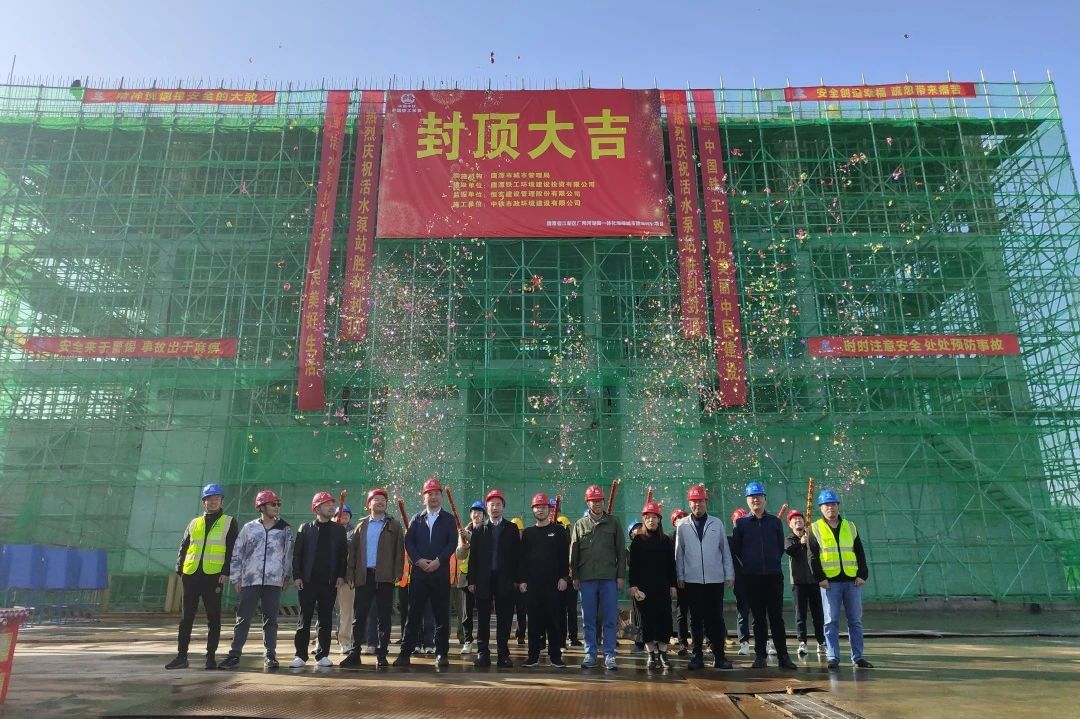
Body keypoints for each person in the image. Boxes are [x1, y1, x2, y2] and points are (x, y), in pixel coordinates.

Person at [166, 483, 239, 670]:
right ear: (203, 502)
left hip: (213, 576)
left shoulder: (229, 522)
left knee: (213, 618)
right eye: (209, 499)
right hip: (191, 575)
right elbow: (184, 546)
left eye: (217, 498)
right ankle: (181, 656)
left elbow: (232, 549)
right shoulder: (194, 522)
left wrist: (226, 572)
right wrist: (180, 568)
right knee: (186, 618)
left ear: (222, 501)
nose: (213, 502)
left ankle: (210, 657)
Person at [219, 490, 293, 670]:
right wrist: (236, 578)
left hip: (273, 581)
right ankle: (234, 654)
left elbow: (289, 555)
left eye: (278, 504)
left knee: (271, 620)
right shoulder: (249, 528)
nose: (276, 507)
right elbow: (237, 553)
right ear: (261, 506)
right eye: (273, 504)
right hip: (250, 580)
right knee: (243, 619)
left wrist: (286, 576)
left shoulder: (284, 529)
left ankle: (270, 655)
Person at [730, 482, 797, 670]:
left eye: (759, 496)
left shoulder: (774, 522)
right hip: (752, 578)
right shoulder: (741, 524)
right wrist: (750, 564)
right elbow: (737, 549)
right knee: (758, 618)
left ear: (765, 499)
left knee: (776, 617)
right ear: (747, 500)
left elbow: (779, 547)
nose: (756, 500)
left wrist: (771, 561)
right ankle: (760, 656)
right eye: (752, 497)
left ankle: (783, 656)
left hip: (773, 577)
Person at [394, 477, 457, 667]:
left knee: (441, 616)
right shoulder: (417, 519)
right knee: (413, 615)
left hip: (440, 574)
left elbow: (452, 543)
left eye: (436, 493)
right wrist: (419, 561)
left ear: (441, 497)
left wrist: (439, 561)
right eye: (430, 494)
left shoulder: (448, 519)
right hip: (419, 575)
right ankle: (405, 653)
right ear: (424, 497)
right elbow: (409, 542)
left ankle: (441, 653)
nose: (433, 497)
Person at [807, 489, 872, 670]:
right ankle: (833, 657)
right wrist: (820, 578)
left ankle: (858, 657)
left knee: (855, 621)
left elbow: (859, 552)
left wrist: (862, 574)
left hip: (852, 581)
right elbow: (812, 556)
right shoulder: (815, 528)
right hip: (830, 583)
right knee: (830, 621)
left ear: (838, 506)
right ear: (821, 508)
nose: (831, 508)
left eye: (833, 504)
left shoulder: (850, 526)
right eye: (827, 505)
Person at [340, 487, 405, 669]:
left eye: (383, 499)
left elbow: (399, 552)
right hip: (364, 576)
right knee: (360, 616)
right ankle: (355, 653)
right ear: (369, 504)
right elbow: (353, 553)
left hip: (385, 577)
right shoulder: (361, 526)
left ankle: (382, 654)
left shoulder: (394, 525)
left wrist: (398, 573)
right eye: (376, 499)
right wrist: (350, 573)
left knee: (384, 617)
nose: (381, 502)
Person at [674, 485, 735, 670]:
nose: (697, 504)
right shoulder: (683, 525)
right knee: (695, 619)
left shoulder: (716, 523)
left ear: (706, 502)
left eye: (700, 501)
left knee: (716, 618)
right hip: (692, 580)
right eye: (694, 501)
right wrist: (680, 575)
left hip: (714, 579)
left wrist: (729, 574)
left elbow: (725, 550)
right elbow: (679, 552)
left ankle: (719, 656)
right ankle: (697, 656)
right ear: (689, 503)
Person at [289, 492, 348, 669]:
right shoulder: (305, 528)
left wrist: (341, 575)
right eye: (326, 504)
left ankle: (322, 655)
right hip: (307, 582)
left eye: (332, 504)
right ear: (316, 508)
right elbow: (297, 554)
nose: (331, 507)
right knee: (304, 619)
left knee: (325, 620)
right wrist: (297, 576)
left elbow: (343, 556)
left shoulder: (338, 530)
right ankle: (300, 655)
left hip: (329, 582)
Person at [569, 484, 625, 670]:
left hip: (608, 578)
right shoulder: (580, 524)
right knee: (589, 619)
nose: (597, 503)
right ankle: (590, 654)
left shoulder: (614, 522)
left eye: (600, 500)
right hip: (587, 579)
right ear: (588, 502)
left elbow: (620, 552)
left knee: (610, 618)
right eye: (593, 501)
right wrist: (575, 576)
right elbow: (574, 553)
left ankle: (610, 655)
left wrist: (620, 576)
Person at [466, 489, 521, 668]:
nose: (495, 508)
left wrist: (517, 579)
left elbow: (517, 556)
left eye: (498, 504)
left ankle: (503, 654)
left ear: (503, 507)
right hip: (483, 579)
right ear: (486, 508)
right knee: (482, 618)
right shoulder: (479, 530)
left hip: (505, 579)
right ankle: (483, 653)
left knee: (505, 618)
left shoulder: (511, 529)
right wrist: (471, 580)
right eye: (491, 505)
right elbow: (473, 557)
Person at [518, 493, 569, 668]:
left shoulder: (559, 531)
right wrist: (522, 580)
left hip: (553, 585)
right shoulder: (528, 533)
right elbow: (522, 559)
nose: (540, 510)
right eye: (537, 507)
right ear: (533, 510)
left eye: (543, 507)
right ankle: (533, 656)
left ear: (549, 510)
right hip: (533, 586)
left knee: (554, 621)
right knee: (533, 622)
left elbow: (564, 557)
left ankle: (555, 656)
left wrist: (564, 577)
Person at [629, 502, 678, 670]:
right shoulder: (638, 540)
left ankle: (663, 654)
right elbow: (633, 566)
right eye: (648, 517)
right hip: (643, 589)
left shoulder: (666, 540)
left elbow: (671, 565)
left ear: (659, 519)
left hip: (662, 587)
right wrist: (633, 585)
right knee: (646, 621)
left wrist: (673, 585)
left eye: (654, 517)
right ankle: (651, 655)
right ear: (644, 519)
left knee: (664, 620)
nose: (651, 520)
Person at [784, 509, 825, 658]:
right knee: (800, 614)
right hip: (798, 582)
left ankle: (821, 642)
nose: (797, 521)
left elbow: (821, 550)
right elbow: (789, 550)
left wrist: (809, 539)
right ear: (790, 524)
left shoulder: (811, 537)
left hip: (814, 581)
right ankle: (802, 642)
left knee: (818, 614)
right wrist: (801, 543)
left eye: (799, 519)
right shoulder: (789, 538)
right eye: (794, 520)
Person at [455, 500, 485, 655]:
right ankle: (468, 640)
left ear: (483, 515)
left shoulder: (487, 530)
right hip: (466, 577)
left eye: (479, 512)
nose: (476, 515)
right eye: (474, 512)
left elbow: (484, 546)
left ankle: (482, 641)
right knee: (466, 613)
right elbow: (460, 555)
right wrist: (463, 546)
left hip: (482, 577)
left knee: (482, 611)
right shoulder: (464, 531)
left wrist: (471, 537)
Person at [555, 514, 581, 648]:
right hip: (559, 581)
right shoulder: (554, 544)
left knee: (571, 610)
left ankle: (573, 636)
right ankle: (561, 639)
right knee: (560, 611)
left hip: (570, 581)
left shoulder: (573, 544)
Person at [668, 508, 690, 656]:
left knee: (698, 612)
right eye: (678, 517)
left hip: (694, 577)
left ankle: (702, 641)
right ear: (674, 522)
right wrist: (672, 582)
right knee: (682, 612)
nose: (681, 519)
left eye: (683, 516)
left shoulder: (692, 534)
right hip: (679, 579)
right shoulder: (670, 538)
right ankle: (683, 642)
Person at [729, 508, 751, 655]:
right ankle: (744, 642)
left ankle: (766, 642)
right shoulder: (730, 541)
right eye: (736, 522)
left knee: (760, 612)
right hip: (740, 580)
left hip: (756, 578)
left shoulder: (753, 539)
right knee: (742, 611)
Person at [334, 504, 355, 655]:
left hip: (346, 577)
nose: (345, 516)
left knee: (346, 611)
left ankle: (345, 641)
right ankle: (321, 641)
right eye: (341, 514)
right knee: (323, 611)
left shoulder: (354, 532)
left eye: (347, 514)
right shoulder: (328, 530)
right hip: (327, 577)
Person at [509, 516, 528, 645]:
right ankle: (506, 634)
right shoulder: (507, 545)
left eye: (519, 531)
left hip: (522, 582)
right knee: (508, 610)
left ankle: (520, 634)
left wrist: (523, 581)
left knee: (522, 610)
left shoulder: (526, 546)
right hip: (509, 583)